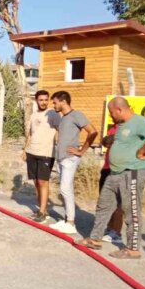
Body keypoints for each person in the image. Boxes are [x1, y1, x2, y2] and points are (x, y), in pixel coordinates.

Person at [79, 97, 145, 258]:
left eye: (112, 113)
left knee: (131, 210)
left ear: (119, 109)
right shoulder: (121, 125)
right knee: (104, 205)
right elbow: (122, 141)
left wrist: (142, 151)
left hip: (132, 172)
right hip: (115, 172)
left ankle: (132, 249)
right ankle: (95, 239)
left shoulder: (138, 121)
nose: (111, 116)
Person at [49, 91, 98, 234]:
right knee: (64, 190)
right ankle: (67, 220)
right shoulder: (64, 118)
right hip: (62, 159)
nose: (54, 105)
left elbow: (93, 131)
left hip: (70, 159)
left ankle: (70, 223)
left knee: (65, 189)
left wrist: (82, 150)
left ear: (63, 101)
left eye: (55, 102)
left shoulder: (76, 115)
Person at [22, 90, 61, 223]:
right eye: (41, 100)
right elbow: (31, 134)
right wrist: (24, 150)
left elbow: (59, 131)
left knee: (43, 182)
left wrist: (59, 147)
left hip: (46, 152)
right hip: (32, 151)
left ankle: (42, 213)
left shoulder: (53, 114)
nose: (43, 102)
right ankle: (42, 209)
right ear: (36, 100)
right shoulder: (33, 115)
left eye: (46, 100)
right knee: (36, 182)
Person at [99, 123, 123, 243]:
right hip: (107, 168)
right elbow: (105, 142)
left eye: (113, 112)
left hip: (118, 169)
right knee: (105, 201)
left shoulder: (128, 127)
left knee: (118, 203)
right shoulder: (113, 127)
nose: (112, 115)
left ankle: (116, 233)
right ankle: (109, 229)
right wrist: (110, 139)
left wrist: (111, 139)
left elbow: (110, 140)